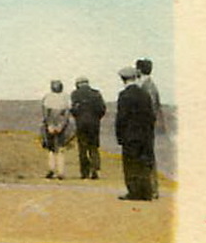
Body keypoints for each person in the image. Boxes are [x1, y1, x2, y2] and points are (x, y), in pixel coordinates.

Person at [115, 65, 157, 201]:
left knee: (131, 164)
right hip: (145, 134)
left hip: (130, 135)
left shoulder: (124, 95)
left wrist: (119, 136)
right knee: (143, 163)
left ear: (123, 79)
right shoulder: (144, 94)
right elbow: (151, 116)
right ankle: (146, 192)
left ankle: (133, 192)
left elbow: (121, 118)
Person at [135, 58, 163, 199]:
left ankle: (151, 189)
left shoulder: (146, 87)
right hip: (148, 127)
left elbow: (151, 109)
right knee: (147, 157)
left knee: (147, 157)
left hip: (145, 127)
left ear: (139, 70)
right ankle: (150, 188)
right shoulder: (150, 85)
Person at [70, 76, 107, 180]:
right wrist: (96, 118)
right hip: (94, 124)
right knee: (94, 147)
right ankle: (95, 170)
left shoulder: (75, 94)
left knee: (82, 148)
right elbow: (102, 109)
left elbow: (73, 110)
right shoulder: (96, 93)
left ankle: (84, 172)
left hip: (81, 124)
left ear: (78, 84)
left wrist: (78, 116)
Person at [40, 79, 73, 179]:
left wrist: (49, 125)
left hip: (50, 124)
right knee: (61, 149)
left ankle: (51, 169)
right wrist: (61, 126)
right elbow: (67, 114)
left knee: (51, 149)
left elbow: (45, 114)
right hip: (62, 125)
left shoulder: (47, 97)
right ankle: (61, 171)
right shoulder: (66, 97)